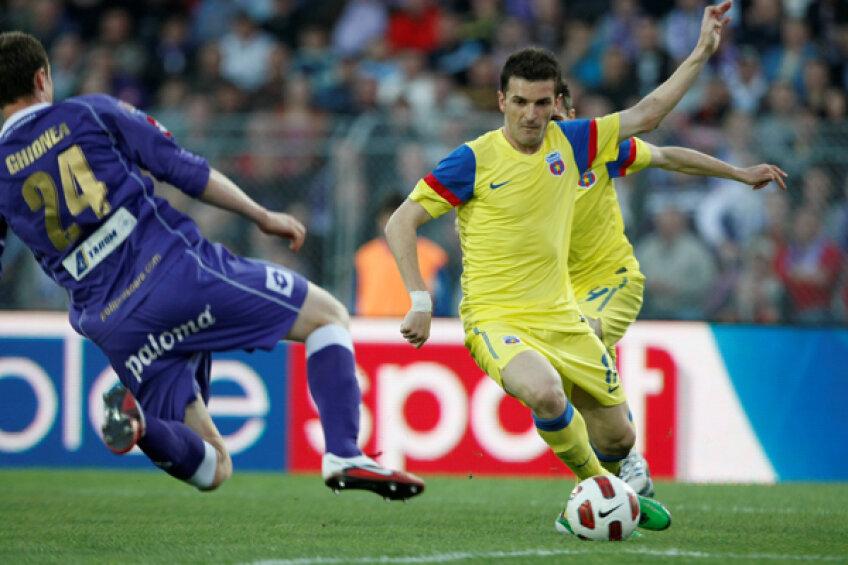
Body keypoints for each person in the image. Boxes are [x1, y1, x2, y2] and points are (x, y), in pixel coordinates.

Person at [0, 31, 424, 501]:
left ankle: (141, 427)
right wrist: (260, 215)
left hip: (115, 325)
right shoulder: (88, 113)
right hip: (175, 276)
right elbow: (182, 168)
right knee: (328, 317)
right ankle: (344, 453)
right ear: (42, 78)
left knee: (214, 467)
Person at [384, 1, 734, 533]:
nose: (531, 114)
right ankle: (602, 491)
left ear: (556, 104)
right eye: (520, 102)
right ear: (501, 101)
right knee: (545, 392)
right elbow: (401, 222)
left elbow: (649, 115)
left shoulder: (572, 143)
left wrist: (703, 50)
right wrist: (419, 300)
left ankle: (605, 489)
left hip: (562, 315)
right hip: (496, 317)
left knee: (619, 437)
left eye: (542, 103)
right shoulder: (472, 160)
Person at [552, 80, 786, 496]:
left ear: (571, 116)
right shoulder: (516, 168)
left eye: (554, 114)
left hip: (611, 280)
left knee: (581, 340)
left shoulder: (593, 149)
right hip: (561, 293)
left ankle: (622, 465)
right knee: (577, 385)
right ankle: (615, 474)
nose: (543, 122)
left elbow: (667, 156)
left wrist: (736, 173)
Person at [353, 193, 451, 317]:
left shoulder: (433, 256)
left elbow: (442, 303)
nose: (392, 224)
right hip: (373, 325)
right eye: (388, 217)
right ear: (379, 220)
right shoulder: (365, 256)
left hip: (414, 325)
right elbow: (356, 299)